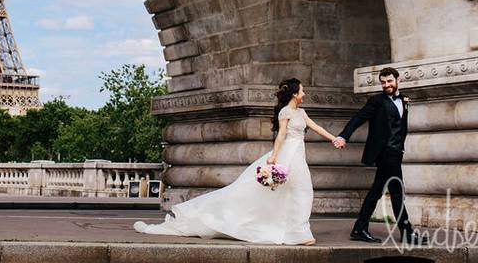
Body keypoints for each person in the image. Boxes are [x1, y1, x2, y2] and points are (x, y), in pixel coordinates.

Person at [134, 78, 340, 245]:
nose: (304, 93)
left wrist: (334, 138)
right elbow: (281, 135)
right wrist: (273, 156)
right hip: (288, 154)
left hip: (299, 154)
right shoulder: (285, 112)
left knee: (301, 191)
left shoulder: (302, 113)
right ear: (295, 94)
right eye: (302, 90)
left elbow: (316, 128)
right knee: (289, 191)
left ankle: (297, 231)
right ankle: (297, 232)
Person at [333, 67, 428, 245]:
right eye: (383, 82)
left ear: (398, 80)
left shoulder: (404, 99)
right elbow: (358, 118)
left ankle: (359, 228)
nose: (386, 85)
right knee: (397, 192)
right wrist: (344, 136)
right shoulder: (376, 101)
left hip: (396, 152)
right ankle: (407, 233)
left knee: (378, 191)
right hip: (385, 153)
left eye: (389, 81)